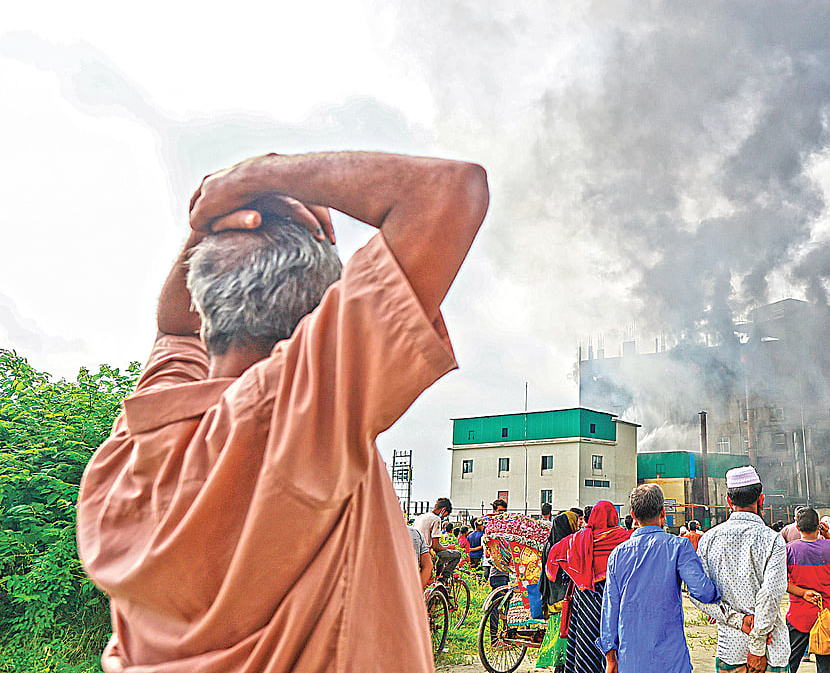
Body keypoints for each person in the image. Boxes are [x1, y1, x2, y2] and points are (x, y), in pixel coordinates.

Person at [75, 150, 487, 673]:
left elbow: (173, 329)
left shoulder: (129, 450)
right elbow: (452, 190)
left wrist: (211, 216)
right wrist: (258, 180)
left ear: (205, 314)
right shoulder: (296, 419)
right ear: (314, 325)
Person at [600, 484, 721, 673]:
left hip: (631, 660)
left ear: (633, 515)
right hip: (671, 660)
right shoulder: (678, 547)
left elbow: (610, 608)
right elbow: (703, 592)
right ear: (663, 512)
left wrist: (610, 657)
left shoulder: (617, 555)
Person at [691, 466, 791, 673]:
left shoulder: (709, 539)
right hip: (772, 651)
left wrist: (738, 620)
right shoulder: (772, 540)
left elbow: (697, 594)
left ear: (728, 501)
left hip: (731, 649)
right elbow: (771, 595)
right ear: (761, 499)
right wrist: (757, 648)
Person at [546, 500, 630, 673]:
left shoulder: (577, 539)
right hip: (617, 596)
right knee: (617, 639)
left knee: (586, 638)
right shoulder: (625, 538)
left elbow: (554, 555)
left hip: (586, 596)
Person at [783, 508, 830, 673]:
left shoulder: (789, 550)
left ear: (797, 526)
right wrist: (828, 535)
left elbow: (781, 582)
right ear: (819, 526)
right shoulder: (829, 547)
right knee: (825, 666)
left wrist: (802, 593)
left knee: (789, 662)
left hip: (798, 614)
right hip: (825, 612)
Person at [536, 511, 579, 673]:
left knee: (556, 634)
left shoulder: (549, 543)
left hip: (551, 597)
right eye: (574, 524)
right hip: (564, 598)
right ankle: (562, 667)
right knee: (564, 636)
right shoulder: (566, 545)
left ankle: (559, 667)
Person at [414, 498, 461, 581]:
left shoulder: (419, 517)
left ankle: (437, 575)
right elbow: (436, 546)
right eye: (445, 515)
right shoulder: (436, 519)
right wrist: (448, 547)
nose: (443, 517)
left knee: (442, 555)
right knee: (457, 554)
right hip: (426, 554)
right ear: (443, 510)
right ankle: (443, 580)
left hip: (415, 551)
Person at [483, 498, 510, 590]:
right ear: (494, 511)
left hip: (508, 572)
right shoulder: (491, 528)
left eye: (504, 511)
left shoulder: (509, 526)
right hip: (497, 572)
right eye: (500, 511)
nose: (502, 514)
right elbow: (487, 554)